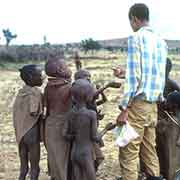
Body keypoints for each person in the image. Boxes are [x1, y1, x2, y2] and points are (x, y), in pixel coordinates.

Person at [116, 3, 167, 180]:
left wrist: (124, 107)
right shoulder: (161, 42)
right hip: (152, 105)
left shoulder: (135, 38)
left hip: (137, 105)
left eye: (131, 21)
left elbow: (135, 77)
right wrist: (125, 72)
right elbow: (153, 74)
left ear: (134, 18)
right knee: (149, 149)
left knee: (128, 152)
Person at [13, 65, 43, 180]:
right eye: (39, 76)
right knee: (35, 168)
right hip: (32, 134)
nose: (42, 78)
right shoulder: (34, 93)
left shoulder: (21, 92)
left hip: (21, 134)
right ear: (31, 77)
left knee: (24, 168)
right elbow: (33, 111)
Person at [44, 58, 72, 180]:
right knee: (64, 156)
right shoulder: (69, 88)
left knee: (54, 155)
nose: (69, 68)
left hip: (50, 125)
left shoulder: (48, 87)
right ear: (61, 70)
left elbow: (46, 108)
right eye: (66, 66)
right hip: (63, 125)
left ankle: (56, 176)